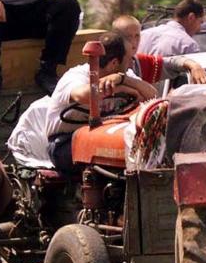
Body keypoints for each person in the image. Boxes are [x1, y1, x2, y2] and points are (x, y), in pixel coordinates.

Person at [45, 32, 155, 172]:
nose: (131, 64)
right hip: (64, 143)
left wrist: (123, 80)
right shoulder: (76, 76)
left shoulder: (124, 75)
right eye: (129, 59)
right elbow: (82, 95)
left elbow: (153, 96)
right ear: (114, 63)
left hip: (106, 136)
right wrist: (121, 88)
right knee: (113, 158)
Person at [113, 15, 206, 84]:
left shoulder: (139, 63)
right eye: (128, 37)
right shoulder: (105, 62)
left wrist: (194, 65)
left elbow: (171, 63)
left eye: (137, 36)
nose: (134, 42)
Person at [138, 0, 205, 57]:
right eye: (200, 22)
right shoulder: (187, 45)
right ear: (191, 17)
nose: (199, 29)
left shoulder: (143, 35)